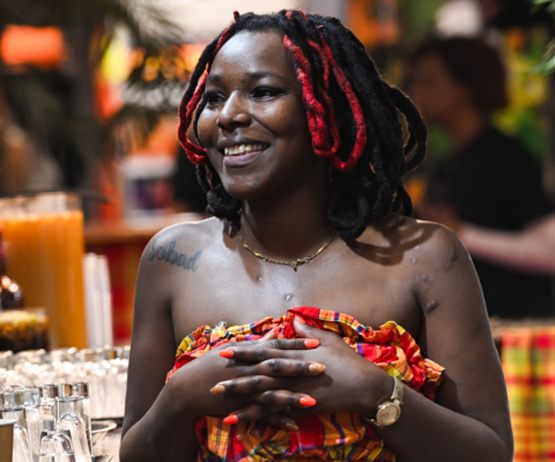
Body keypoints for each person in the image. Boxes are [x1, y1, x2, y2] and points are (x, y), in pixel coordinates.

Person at [120, 10, 513, 462]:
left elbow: (492, 453)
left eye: (263, 92)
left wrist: (375, 392)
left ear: (328, 110)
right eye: (213, 98)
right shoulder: (171, 260)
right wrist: (181, 397)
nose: (228, 115)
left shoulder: (424, 258)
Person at [407, 36, 554, 319]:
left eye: (429, 81)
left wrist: (463, 235)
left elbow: (551, 250)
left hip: (515, 332)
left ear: (464, 89)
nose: (416, 92)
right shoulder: (451, 160)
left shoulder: (505, 156)